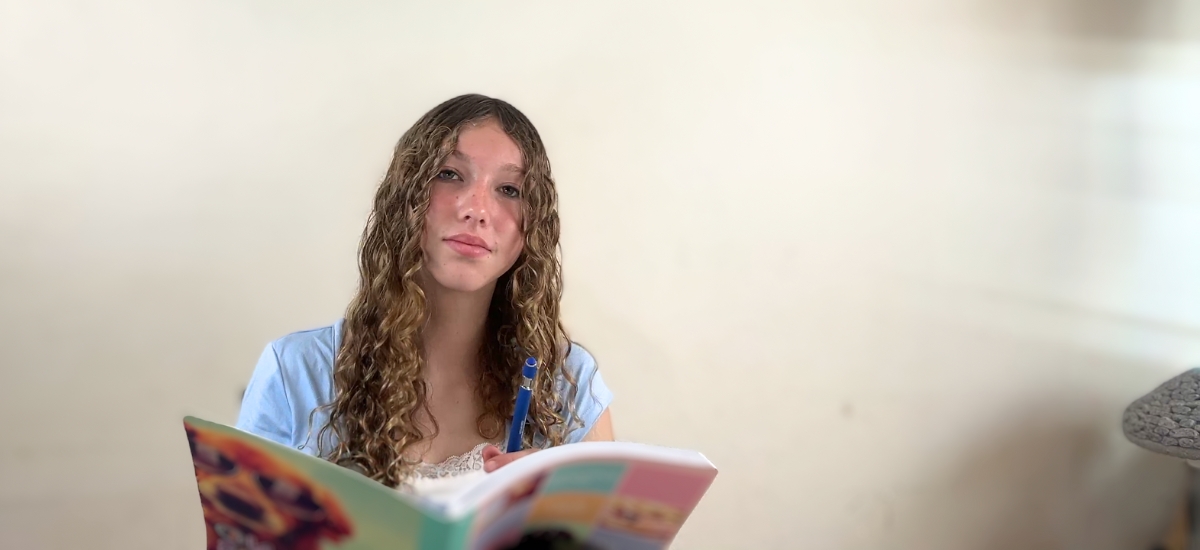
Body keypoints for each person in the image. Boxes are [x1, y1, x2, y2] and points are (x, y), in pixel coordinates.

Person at [234, 94, 615, 493]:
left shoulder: (568, 384)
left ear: (533, 226)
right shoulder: (295, 372)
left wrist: (562, 507)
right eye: (450, 174)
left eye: (509, 189)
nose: (477, 209)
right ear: (404, 197)